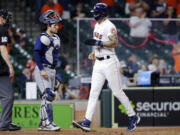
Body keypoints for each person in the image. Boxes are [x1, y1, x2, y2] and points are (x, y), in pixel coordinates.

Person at [72, 3, 140, 132]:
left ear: (103, 13)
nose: (94, 15)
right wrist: (94, 52)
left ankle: (133, 116)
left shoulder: (110, 25)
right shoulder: (97, 25)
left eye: (96, 13)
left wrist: (100, 43)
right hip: (98, 62)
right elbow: (97, 43)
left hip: (110, 62)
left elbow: (115, 43)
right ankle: (86, 121)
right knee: (93, 92)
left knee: (117, 91)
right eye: (94, 13)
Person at [34, 10, 62, 131]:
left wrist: (56, 74)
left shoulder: (56, 38)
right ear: (48, 25)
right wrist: (41, 70)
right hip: (43, 68)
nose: (57, 27)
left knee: (49, 97)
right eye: (54, 24)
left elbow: (54, 58)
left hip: (52, 70)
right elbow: (36, 54)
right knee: (48, 95)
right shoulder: (43, 38)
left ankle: (43, 123)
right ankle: (47, 123)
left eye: (57, 24)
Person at [0, 9, 21, 131]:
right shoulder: (2, 29)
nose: (7, 20)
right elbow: (2, 48)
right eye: (6, 17)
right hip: (1, 69)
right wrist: (10, 66)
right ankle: (5, 123)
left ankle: (5, 122)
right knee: (8, 96)